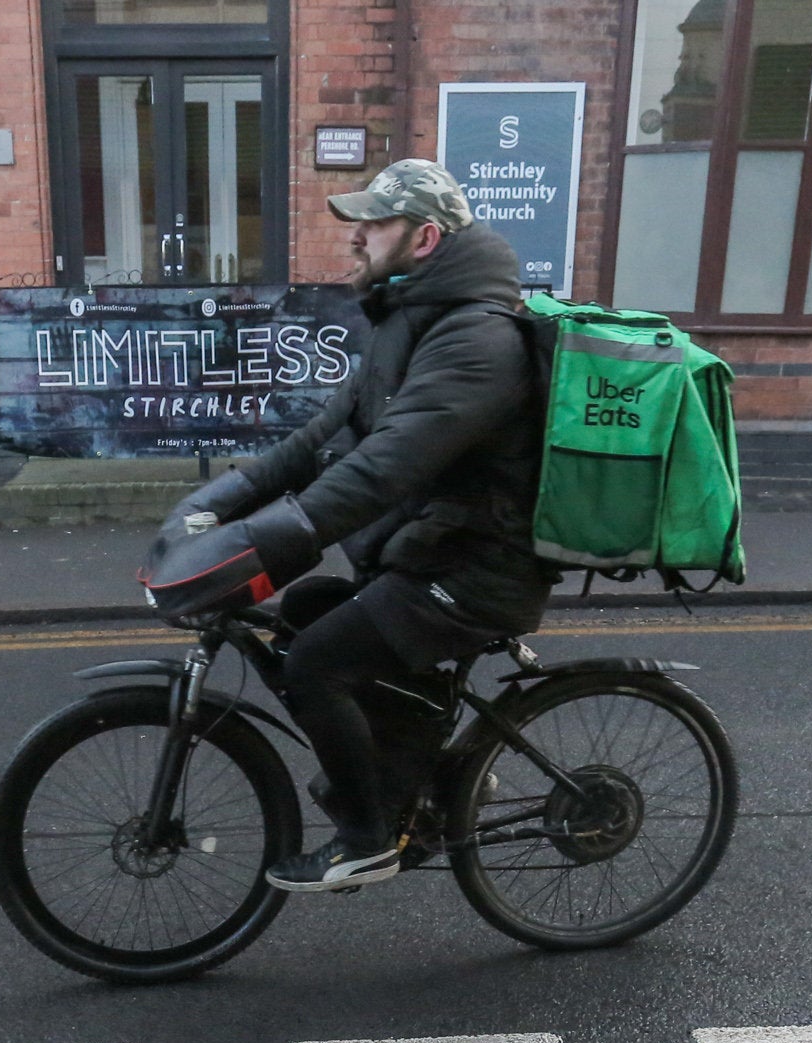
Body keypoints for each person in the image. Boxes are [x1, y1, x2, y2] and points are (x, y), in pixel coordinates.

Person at [167, 159, 551, 892]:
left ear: (425, 237)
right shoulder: (408, 320)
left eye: (374, 224)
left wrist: (280, 534)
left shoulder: (475, 340)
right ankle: (432, 770)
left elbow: (385, 466)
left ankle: (366, 835)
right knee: (307, 614)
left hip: (480, 567)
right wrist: (220, 503)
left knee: (318, 662)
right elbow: (321, 439)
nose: (356, 238)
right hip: (430, 548)